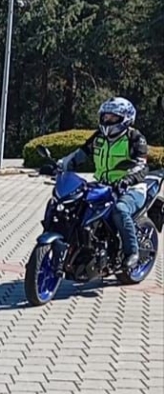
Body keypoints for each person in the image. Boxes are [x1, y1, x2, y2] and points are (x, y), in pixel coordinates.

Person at [58, 97, 149, 270]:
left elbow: (142, 166)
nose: (107, 120)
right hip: (103, 185)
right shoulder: (98, 137)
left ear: (126, 118)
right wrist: (61, 165)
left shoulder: (135, 138)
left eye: (113, 117)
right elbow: (79, 155)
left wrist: (128, 180)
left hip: (131, 188)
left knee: (120, 210)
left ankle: (132, 252)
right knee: (76, 205)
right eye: (105, 116)